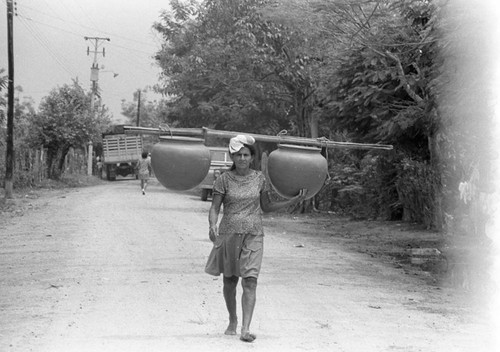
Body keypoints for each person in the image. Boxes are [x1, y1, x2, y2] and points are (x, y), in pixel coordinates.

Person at [205, 135, 307, 343]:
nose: (242, 158)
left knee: (250, 281)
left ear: (252, 157)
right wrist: (212, 225)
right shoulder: (223, 180)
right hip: (229, 235)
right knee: (230, 281)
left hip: (253, 235)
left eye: (246, 155)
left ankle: (245, 328)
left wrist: (294, 199)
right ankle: (232, 319)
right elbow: (215, 207)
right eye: (238, 155)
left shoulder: (260, 179)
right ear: (232, 157)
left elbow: (267, 207)